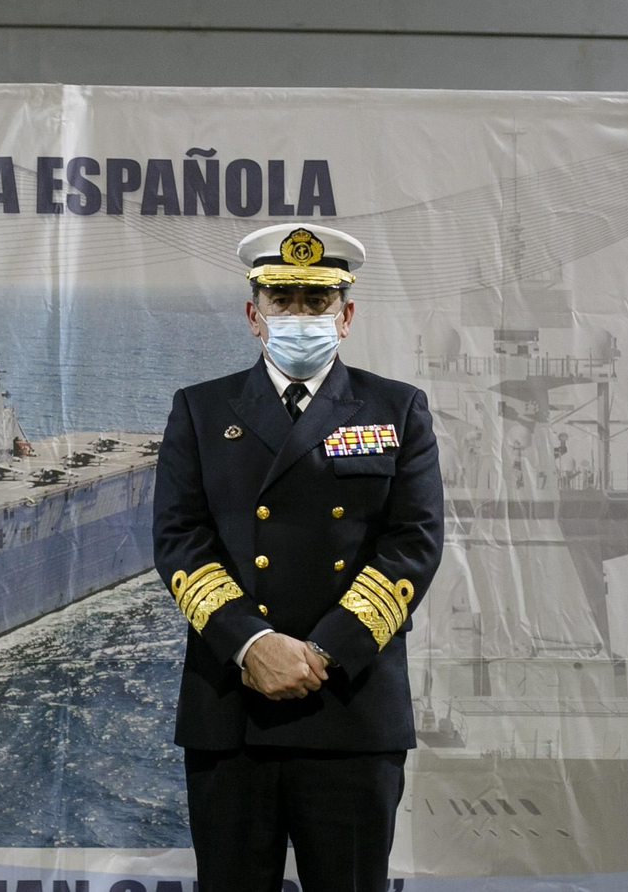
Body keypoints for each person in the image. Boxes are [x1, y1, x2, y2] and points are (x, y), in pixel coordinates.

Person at [152, 223, 444, 891]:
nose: (300, 317)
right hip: (233, 707)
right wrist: (253, 645)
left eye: (317, 302)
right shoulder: (201, 410)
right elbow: (180, 537)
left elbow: (414, 542)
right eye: (282, 300)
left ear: (347, 315)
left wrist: (322, 652)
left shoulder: (397, 409)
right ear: (254, 314)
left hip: (348, 704)